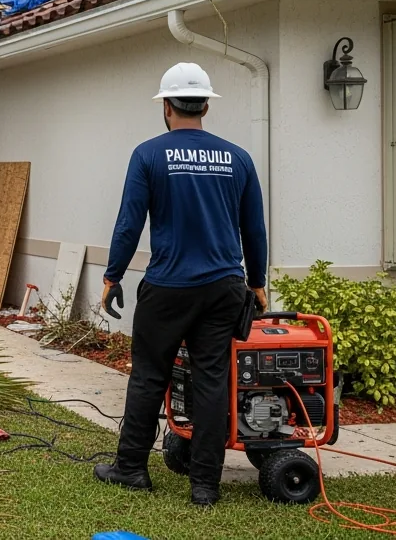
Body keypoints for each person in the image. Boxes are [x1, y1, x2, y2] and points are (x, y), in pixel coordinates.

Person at [93, 63, 269, 507]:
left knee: (149, 376)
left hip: (167, 288)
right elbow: (254, 229)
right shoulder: (239, 158)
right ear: (206, 106)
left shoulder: (148, 155)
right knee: (211, 381)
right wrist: (257, 283)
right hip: (224, 288)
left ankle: (131, 469)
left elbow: (129, 223)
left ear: (166, 107)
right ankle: (205, 486)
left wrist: (113, 275)